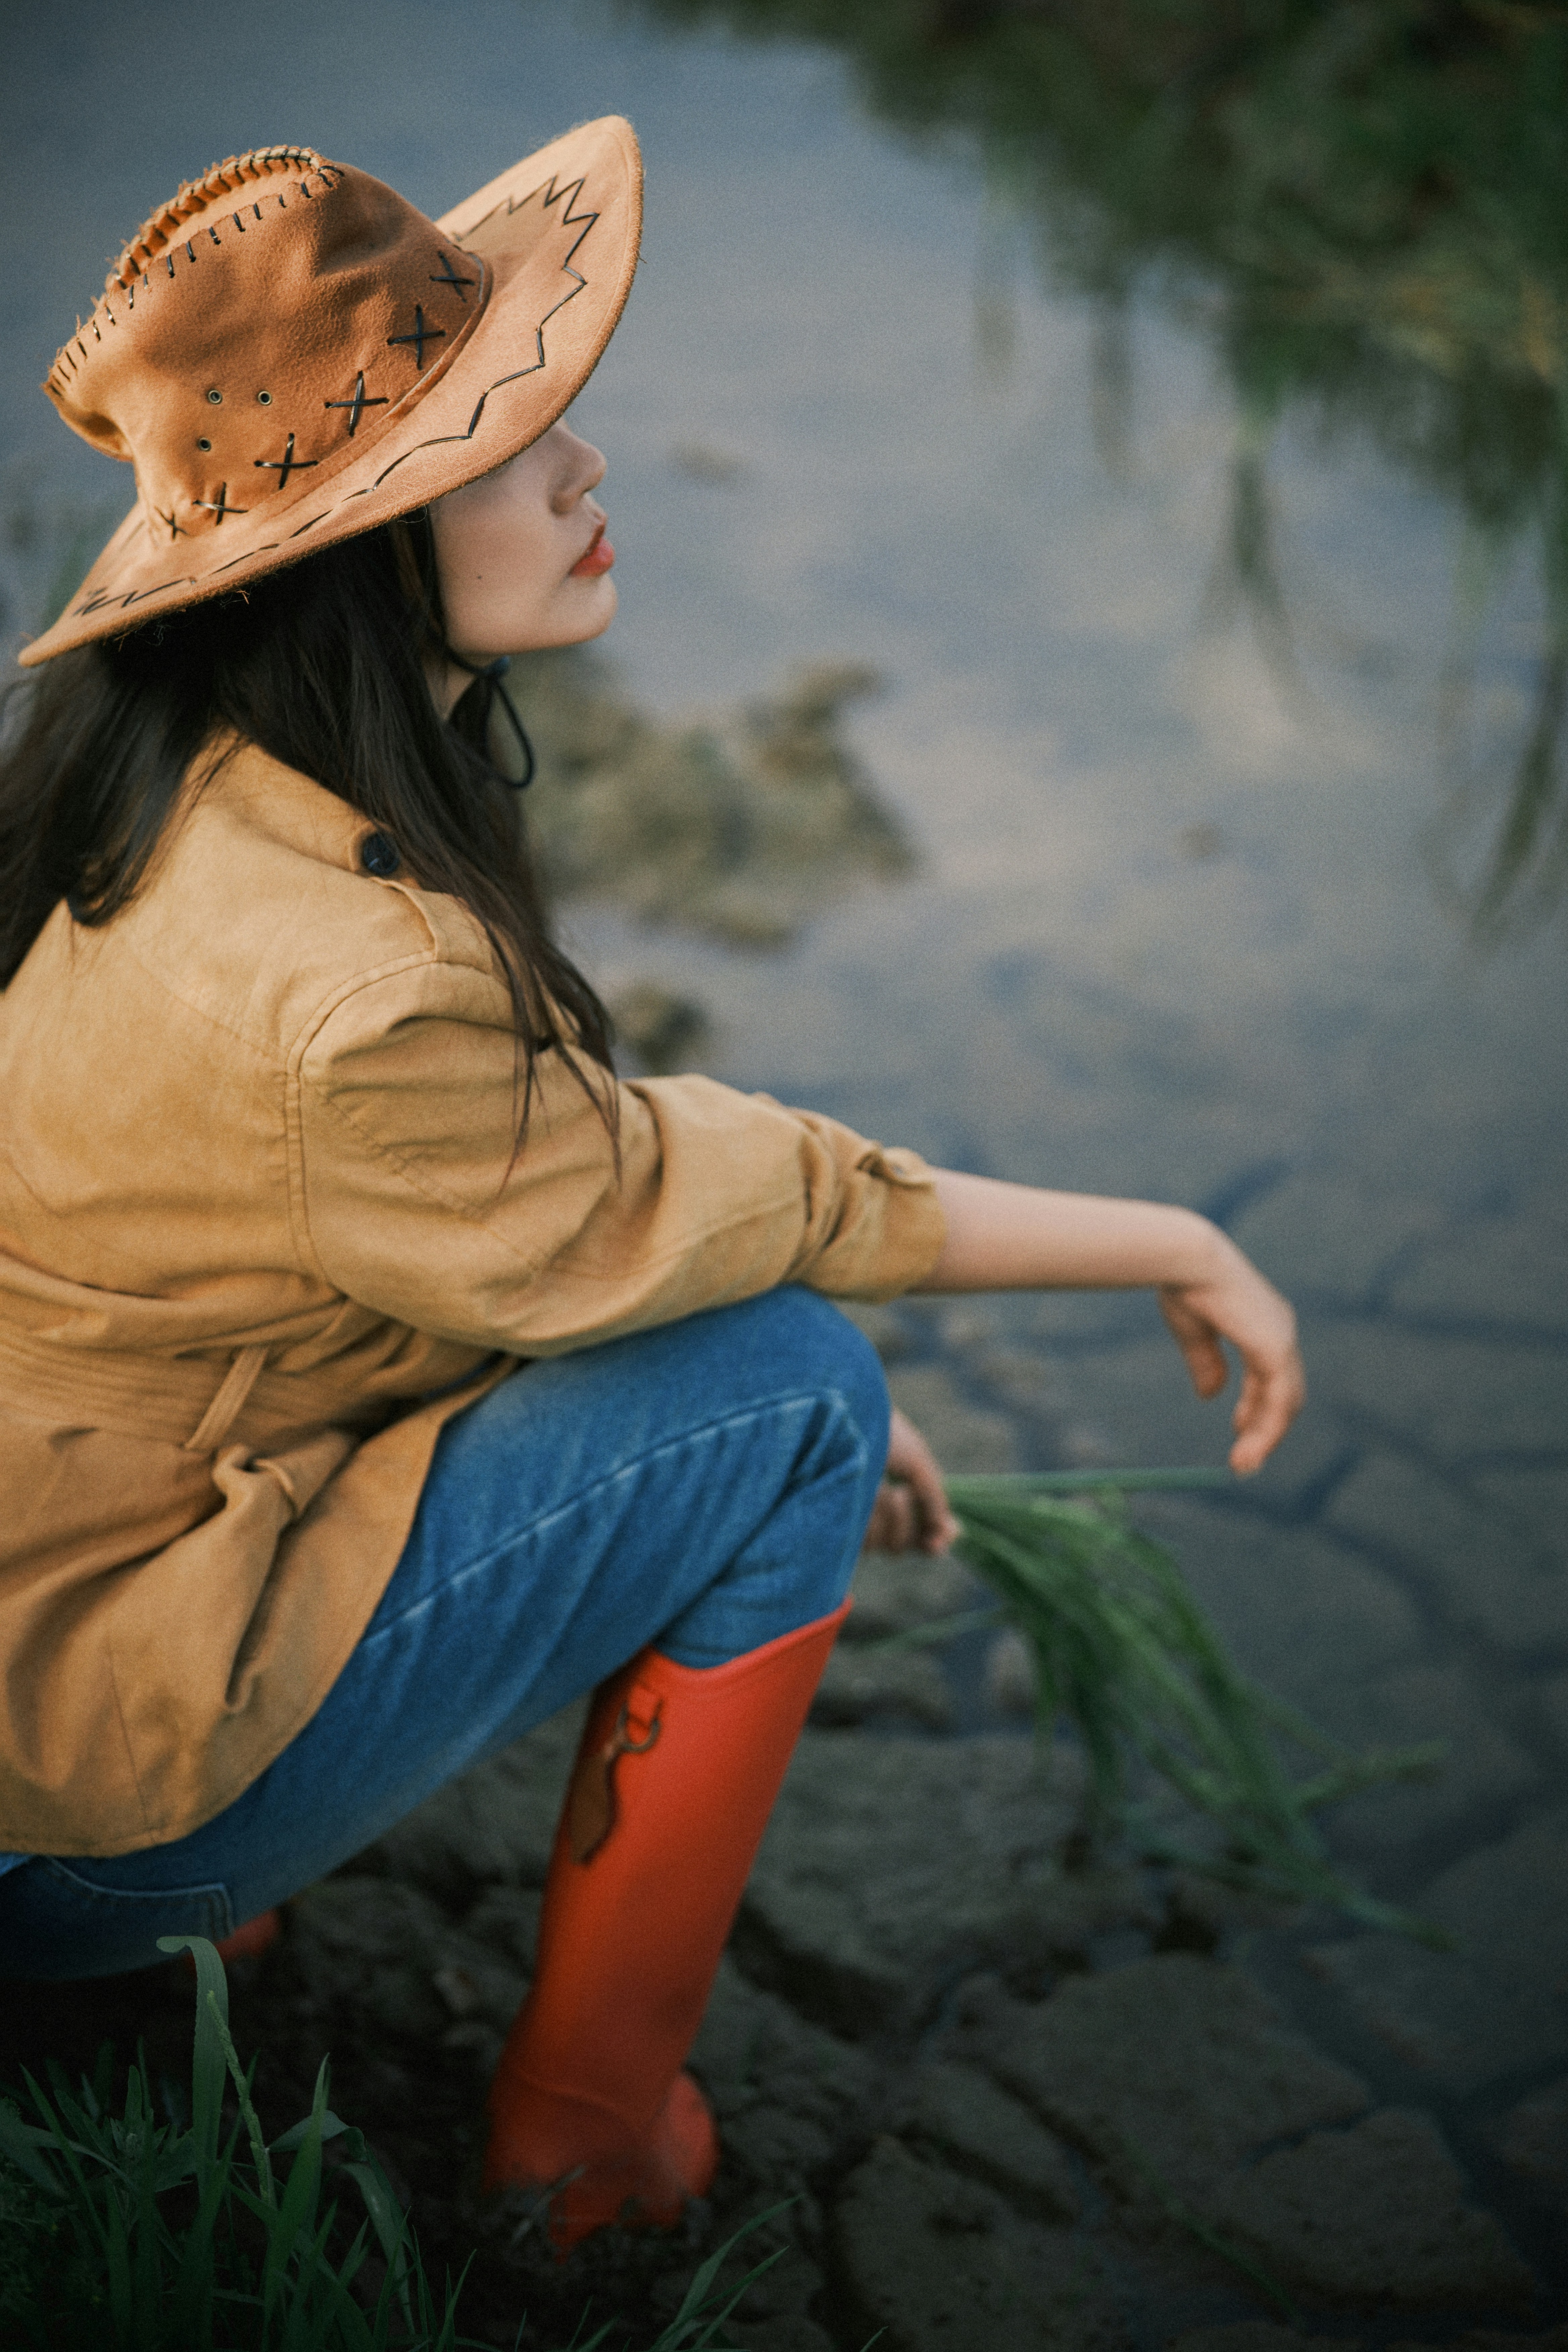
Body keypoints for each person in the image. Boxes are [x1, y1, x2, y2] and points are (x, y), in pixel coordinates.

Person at [0, 121, 1303, 2250]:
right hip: (60, 1814)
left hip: (48, 1628)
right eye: (513, 440)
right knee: (793, 1390)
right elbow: (693, 1202)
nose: (588, 467)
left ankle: (206, 1931)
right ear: (364, 545)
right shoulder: (365, 982)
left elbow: (434, 1234)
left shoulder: (158, 802)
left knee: (719, 1356)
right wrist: (1169, 1236)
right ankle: (585, 2153)